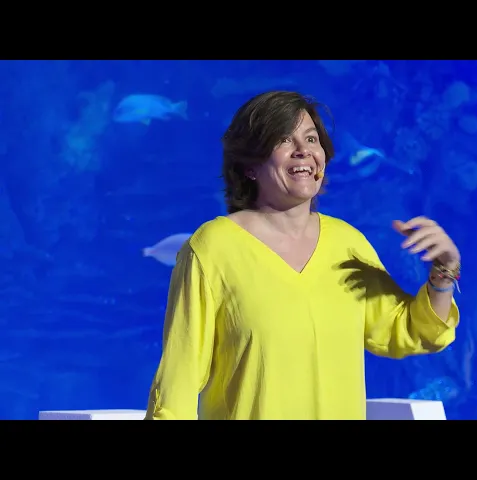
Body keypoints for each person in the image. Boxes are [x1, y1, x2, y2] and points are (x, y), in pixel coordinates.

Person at [144, 91, 461, 420]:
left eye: (311, 139)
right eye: (284, 140)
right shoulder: (213, 248)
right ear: (250, 165)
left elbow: (410, 330)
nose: (303, 151)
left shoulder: (347, 243)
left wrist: (444, 272)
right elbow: (177, 382)